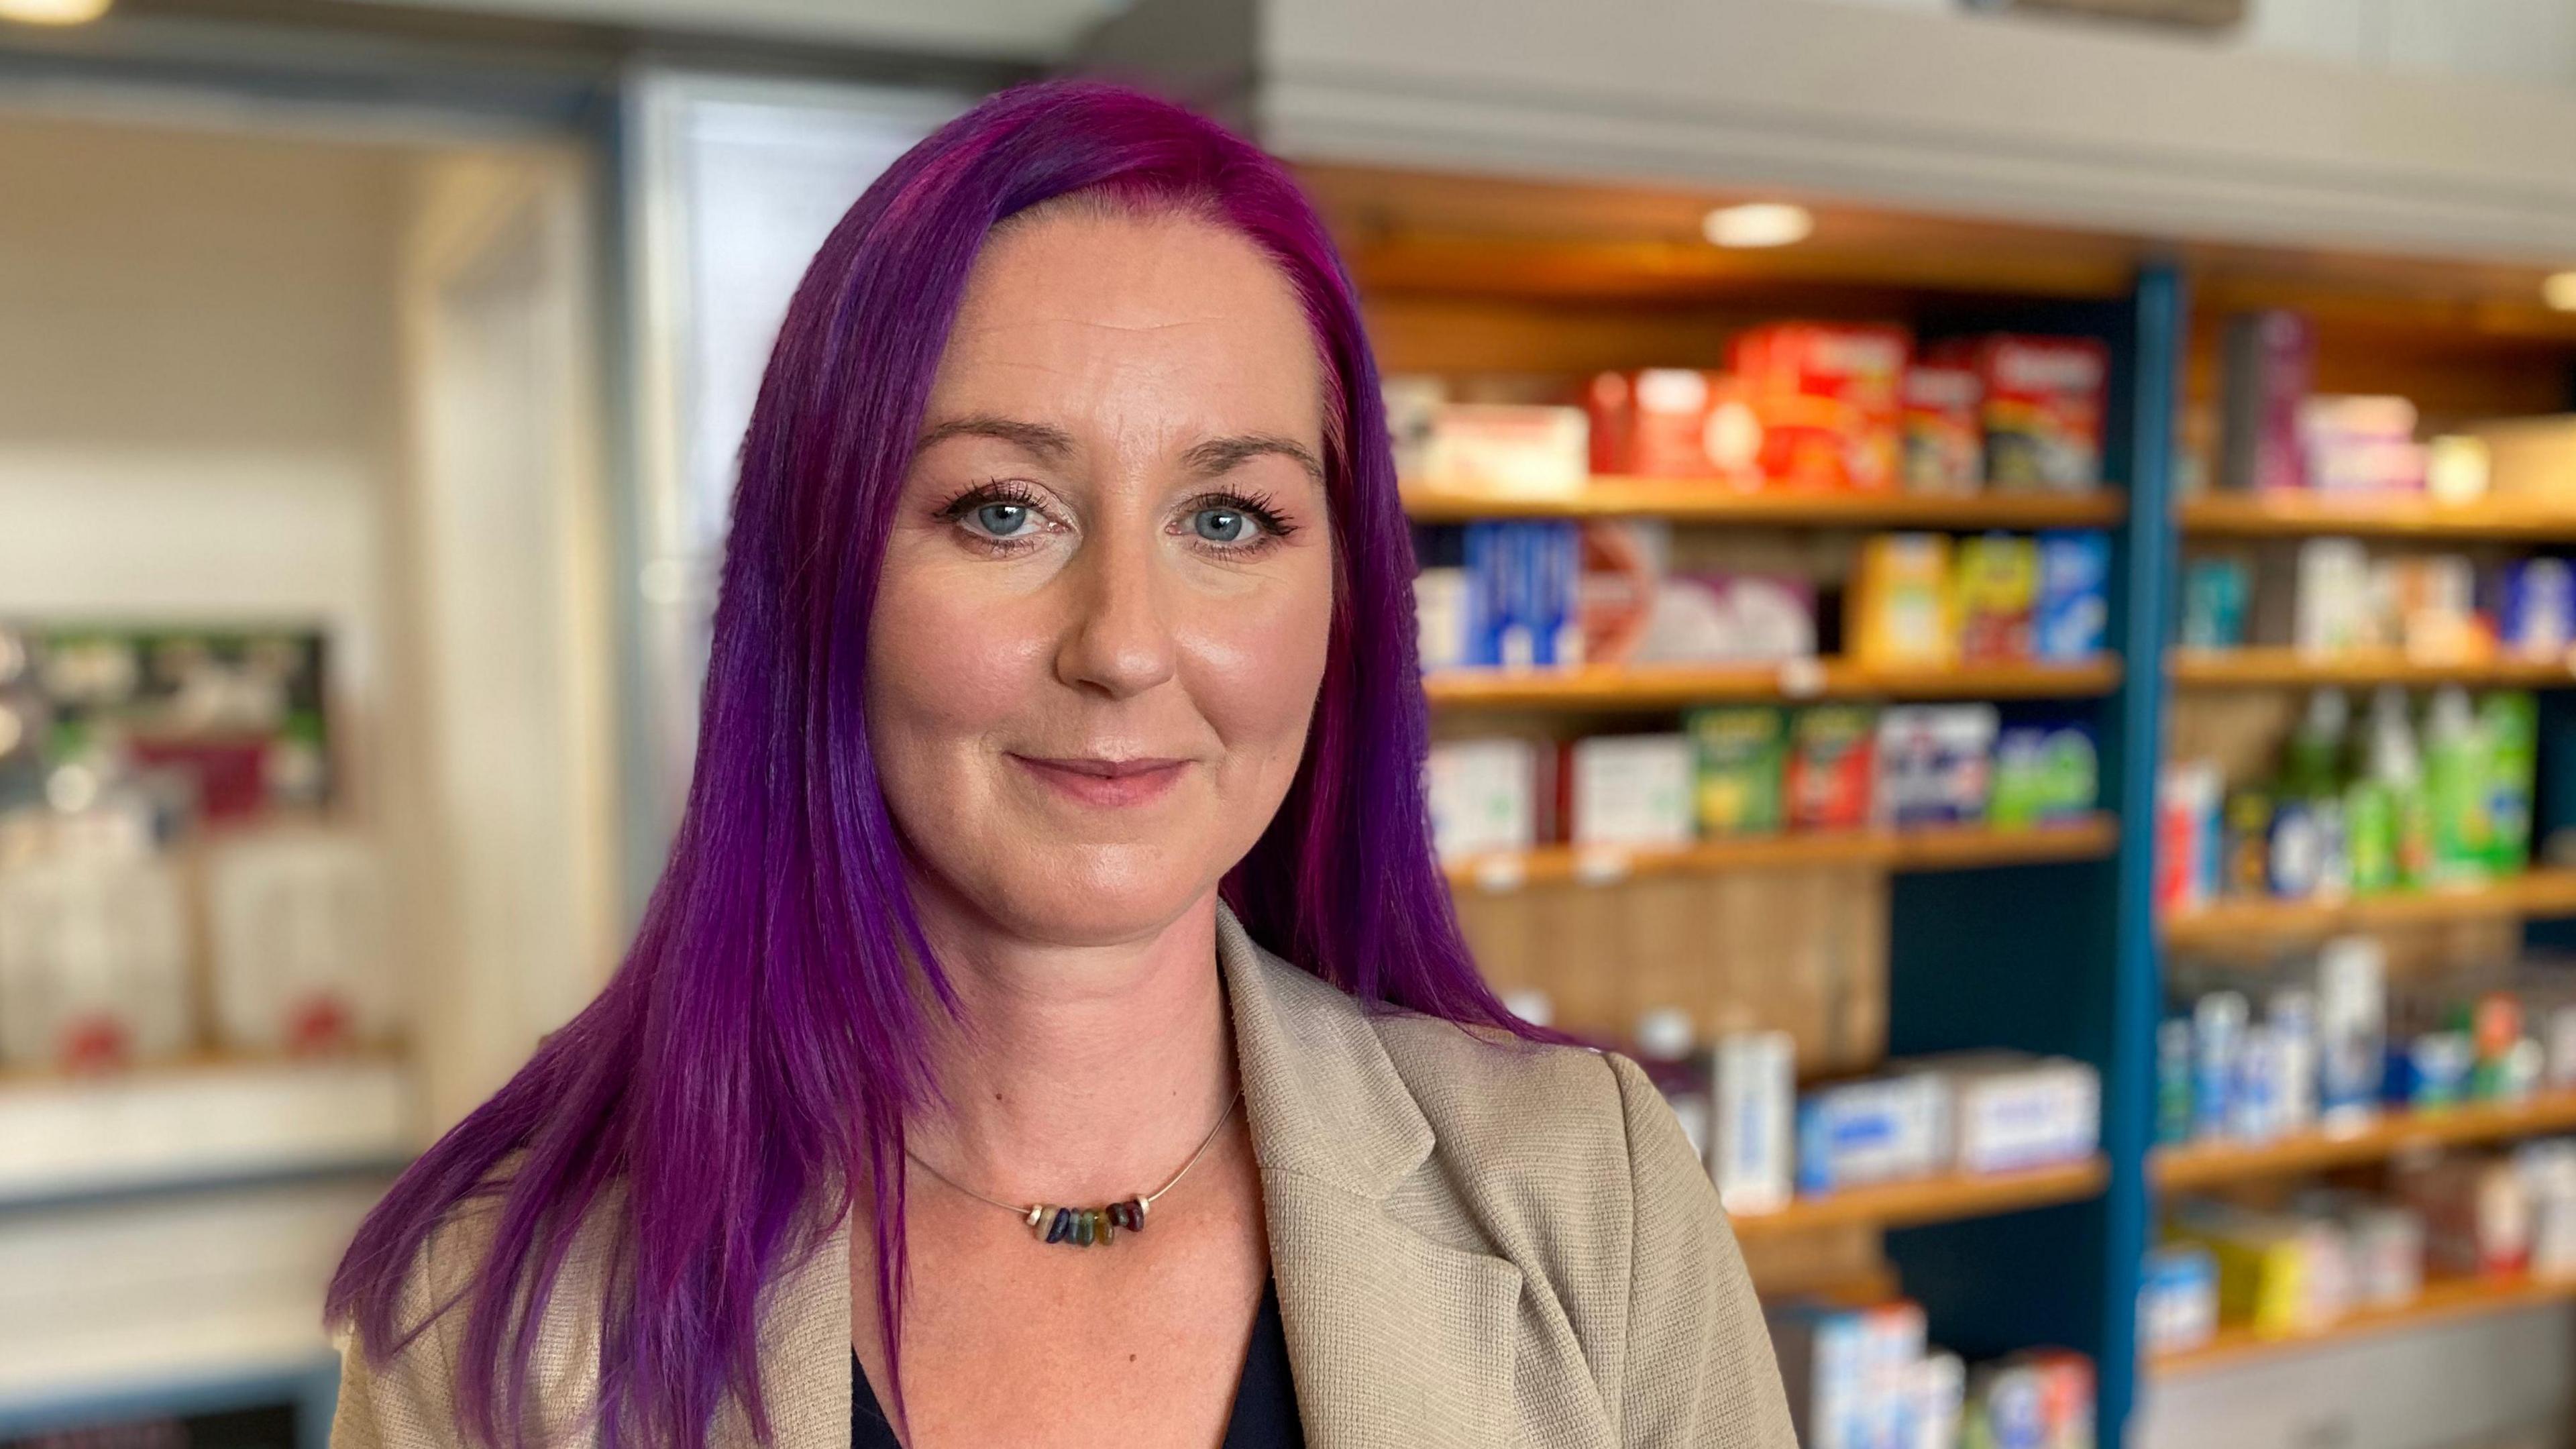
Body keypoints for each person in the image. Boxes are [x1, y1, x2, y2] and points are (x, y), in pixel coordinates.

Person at [324, 78, 1792, 1449]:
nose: (1126, 647)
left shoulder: (1593, 1199)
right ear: (821, 572)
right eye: (1004, 511)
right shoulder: (496, 1318)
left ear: (1345, 601)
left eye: (1229, 521)